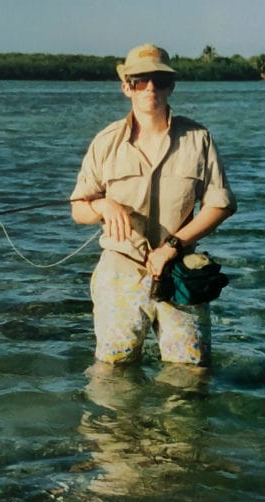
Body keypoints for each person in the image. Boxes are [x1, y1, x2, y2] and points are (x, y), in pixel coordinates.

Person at [70, 43, 237, 366]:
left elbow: (221, 204)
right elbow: (79, 207)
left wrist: (172, 246)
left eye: (159, 80)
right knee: (113, 373)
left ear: (171, 86)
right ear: (126, 87)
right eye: (140, 80)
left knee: (189, 376)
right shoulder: (105, 142)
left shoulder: (198, 138)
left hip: (180, 273)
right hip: (120, 268)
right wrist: (103, 205)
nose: (150, 89)